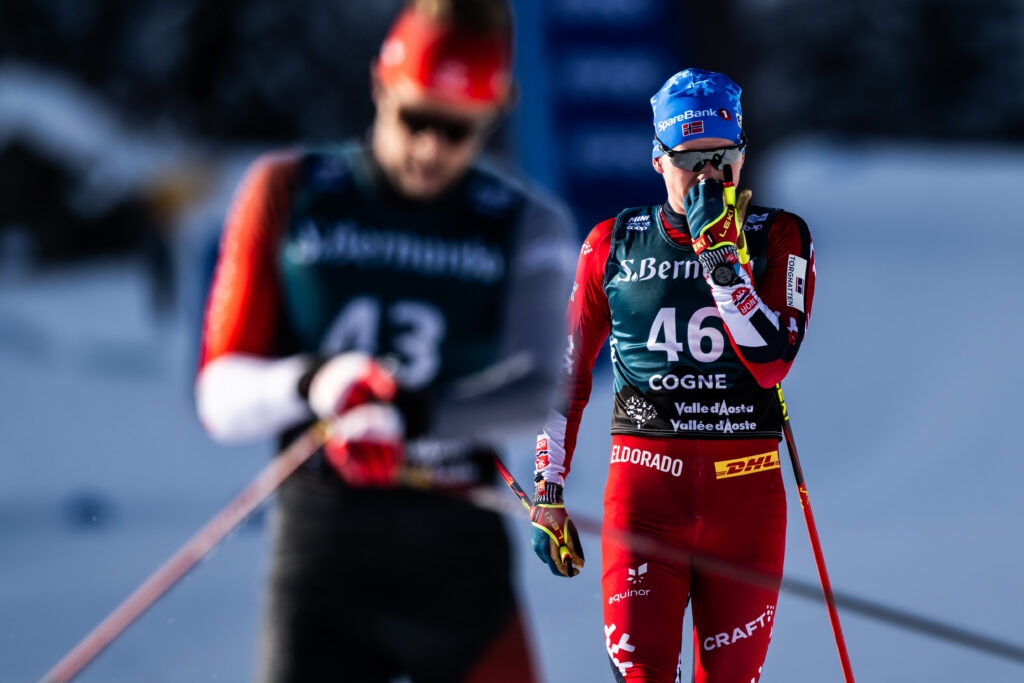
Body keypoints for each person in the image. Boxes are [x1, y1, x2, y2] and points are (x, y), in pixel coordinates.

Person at [194, 1, 576, 681]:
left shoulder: (525, 224)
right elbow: (220, 394)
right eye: (416, 118)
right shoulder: (288, 190)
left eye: (457, 130)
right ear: (381, 84)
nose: (431, 147)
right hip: (324, 554)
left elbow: (538, 391)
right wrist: (318, 382)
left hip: (458, 555)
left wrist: (412, 414)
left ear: (497, 112)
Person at [529, 68, 816, 682]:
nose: (711, 177)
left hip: (746, 493)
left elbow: (771, 363)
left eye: (723, 159)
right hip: (647, 495)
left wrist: (723, 262)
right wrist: (548, 489)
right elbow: (568, 375)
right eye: (692, 160)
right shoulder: (614, 242)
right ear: (659, 160)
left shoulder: (777, 236)